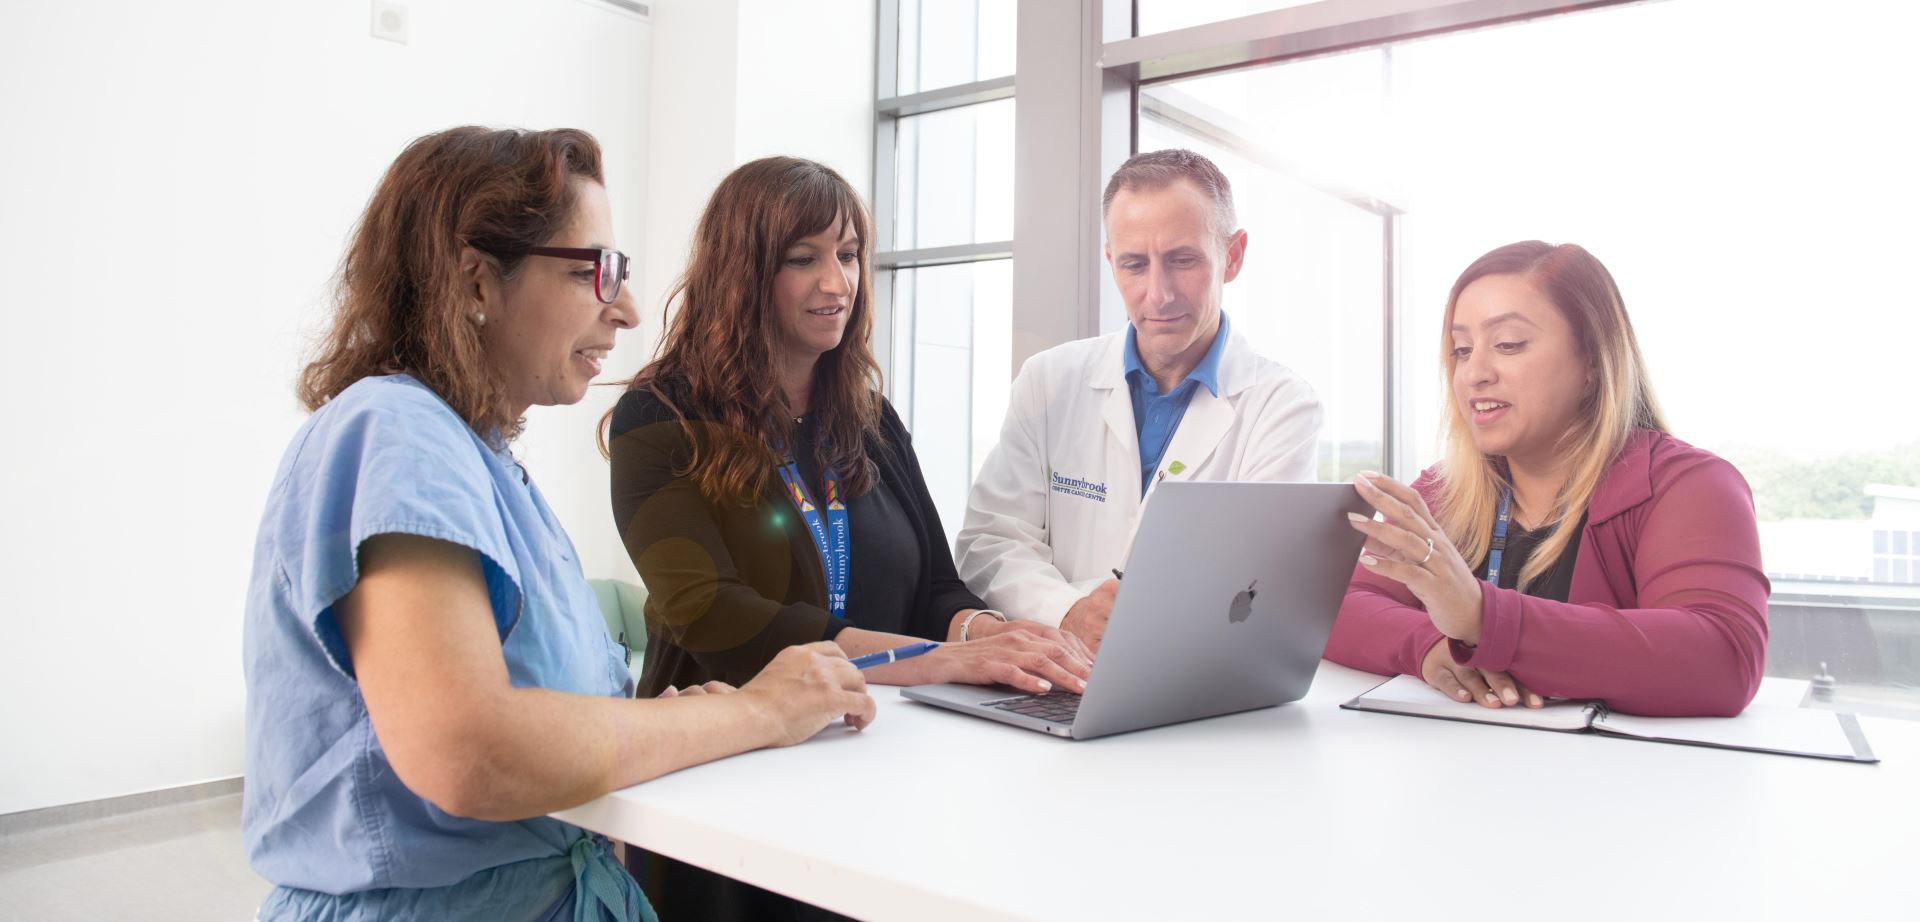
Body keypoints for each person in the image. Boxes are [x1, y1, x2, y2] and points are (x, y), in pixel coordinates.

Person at [241, 127, 874, 922]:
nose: (629, 308)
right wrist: (755, 710)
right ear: (477, 280)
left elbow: (551, 722)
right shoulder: (396, 432)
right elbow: (469, 750)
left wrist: (685, 719)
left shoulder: (481, 460)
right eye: (597, 270)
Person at [605, 156, 1091, 920]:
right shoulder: (660, 419)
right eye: (804, 259)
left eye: (848, 253)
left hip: (880, 770)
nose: (838, 282)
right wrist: (935, 660)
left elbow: (934, 584)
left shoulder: (867, 419)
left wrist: (998, 637)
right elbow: (714, 615)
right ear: (742, 273)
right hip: (730, 787)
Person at [1326, 241, 1769, 717]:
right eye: (1460, 350)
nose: (1473, 373)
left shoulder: (1690, 486)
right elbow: (1331, 605)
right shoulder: (1442, 492)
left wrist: (1481, 619)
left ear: (1594, 363)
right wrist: (1432, 645)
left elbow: (1724, 658)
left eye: (1508, 344)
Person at [956, 148, 1324, 653]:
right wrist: (1070, 612)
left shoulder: (1281, 409)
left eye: (1182, 260)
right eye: (1135, 264)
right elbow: (989, 543)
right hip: (1053, 677)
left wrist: (1120, 618)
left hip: (1191, 682)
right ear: (1111, 261)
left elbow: (1257, 586)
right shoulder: (1049, 381)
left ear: (1232, 257)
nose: (1159, 294)